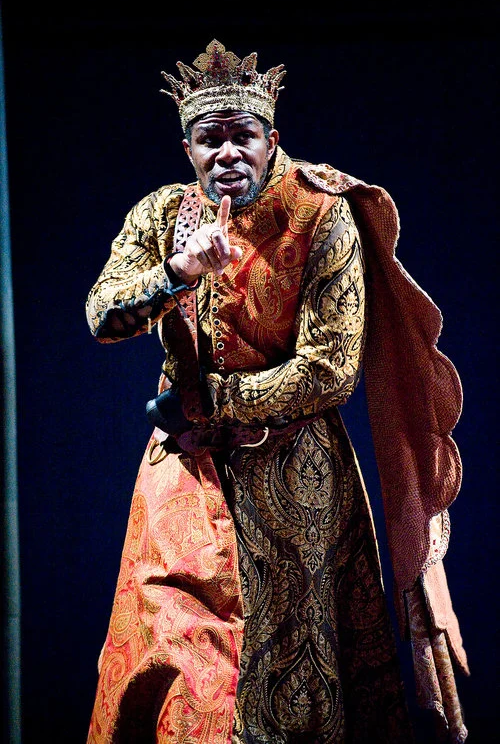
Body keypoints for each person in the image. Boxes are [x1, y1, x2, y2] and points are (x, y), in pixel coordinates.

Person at [85, 40, 469, 744]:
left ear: (271, 139)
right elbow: (102, 316)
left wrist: (212, 402)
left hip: (297, 481)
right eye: (211, 139)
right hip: (185, 477)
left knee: (292, 682)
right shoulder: (162, 214)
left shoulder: (320, 213)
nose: (228, 152)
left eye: (244, 135)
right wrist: (175, 274)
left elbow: (331, 368)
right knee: (171, 656)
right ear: (188, 149)